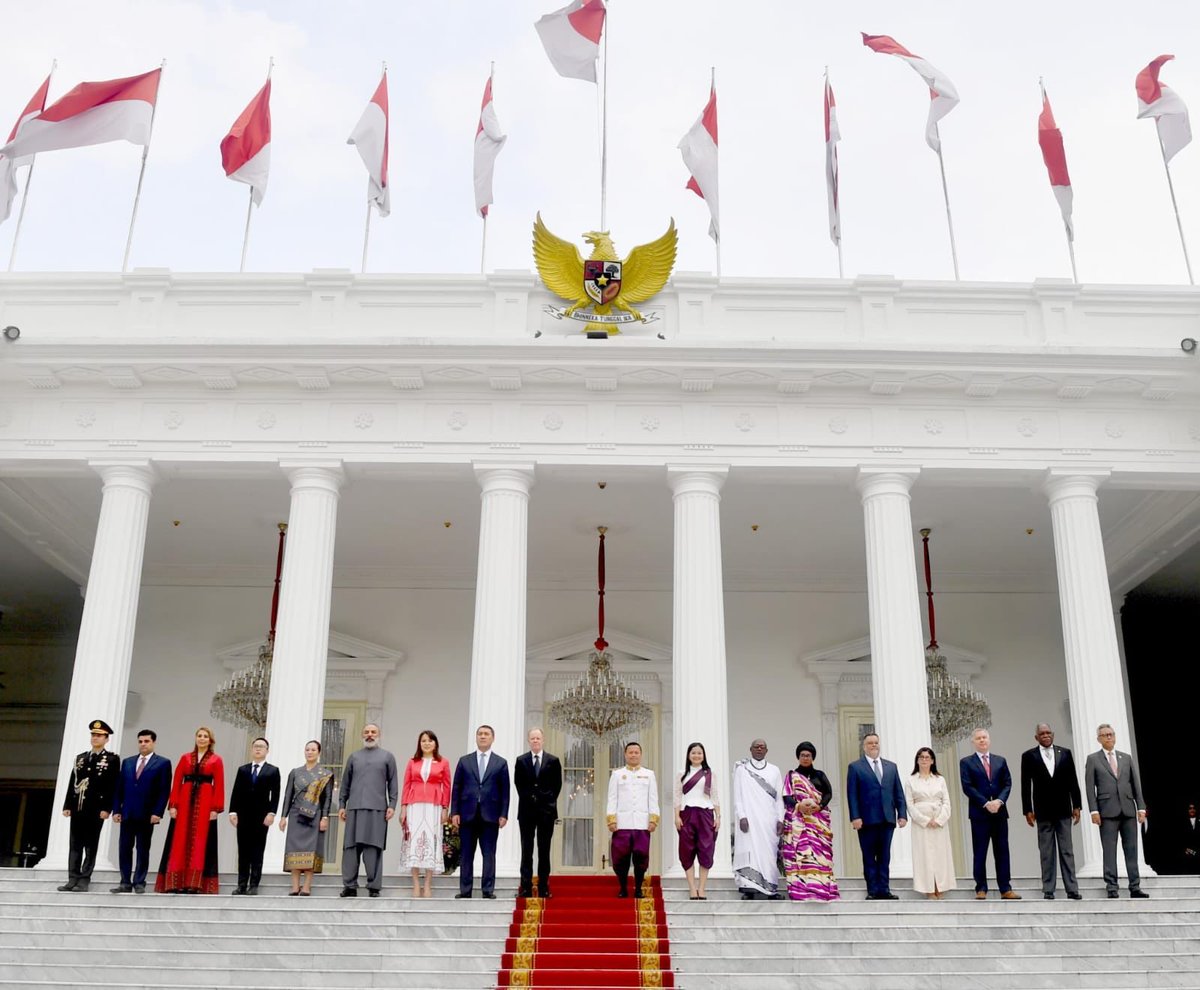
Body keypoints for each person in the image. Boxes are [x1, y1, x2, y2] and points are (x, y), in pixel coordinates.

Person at [155, 726, 225, 894]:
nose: (202, 738)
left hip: (205, 803)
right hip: (185, 802)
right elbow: (177, 780)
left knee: (200, 840)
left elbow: (220, 785)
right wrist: (173, 805)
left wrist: (215, 808)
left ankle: (194, 883)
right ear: (195, 738)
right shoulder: (185, 758)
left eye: (205, 736)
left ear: (210, 740)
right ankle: (175, 883)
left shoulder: (216, 760)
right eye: (199, 736)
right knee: (180, 838)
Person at [1084, 723, 1149, 899]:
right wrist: (1093, 811)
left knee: (1131, 849)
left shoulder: (1126, 758)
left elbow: (1135, 784)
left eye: (1111, 734)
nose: (1109, 737)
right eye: (1104, 735)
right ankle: (1112, 887)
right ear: (1099, 739)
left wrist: (1141, 807)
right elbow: (1090, 788)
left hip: (1128, 810)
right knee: (1109, 850)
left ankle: (1135, 886)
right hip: (1106, 811)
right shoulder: (1093, 759)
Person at [1019, 723, 1082, 900]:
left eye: (1048, 733)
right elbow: (1025, 784)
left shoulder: (1065, 753)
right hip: (1043, 811)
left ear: (1053, 735)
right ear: (1036, 737)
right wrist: (1027, 810)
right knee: (1046, 852)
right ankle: (1048, 889)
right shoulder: (1029, 756)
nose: (1046, 735)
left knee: (1067, 850)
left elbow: (1073, 781)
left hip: (1063, 809)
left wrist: (1077, 805)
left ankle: (1072, 888)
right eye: (1042, 733)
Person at [58, 718, 120, 892]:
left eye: (99, 735)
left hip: (96, 809)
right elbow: (73, 782)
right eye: (93, 734)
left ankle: (84, 878)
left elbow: (112, 786)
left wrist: (107, 808)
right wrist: (67, 805)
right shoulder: (81, 758)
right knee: (75, 844)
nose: (95, 738)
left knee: (91, 845)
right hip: (78, 807)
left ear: (106, 738)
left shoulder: (111, 759)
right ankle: (72, 878)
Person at [338, 722, 399, 898]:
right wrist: (342, 805)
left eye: (373, 732)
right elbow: (345, 785)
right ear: (362, 735)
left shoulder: (387, 757)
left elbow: (393, 783)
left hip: (377, 809)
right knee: (350, 848)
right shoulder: (354, 757)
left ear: (379, 734)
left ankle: (373, 886)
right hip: (354, 808)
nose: (370, 735)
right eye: (366, 732)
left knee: (373, 848)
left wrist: (392, 805)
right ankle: (349, 886)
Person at [960, 727, 1020, 900]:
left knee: (1002, 850)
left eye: (984, 737)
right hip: (979, 814)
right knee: (980, 851)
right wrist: (986, 803)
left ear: (989, 739)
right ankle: (981, 888)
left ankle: (1005, 888)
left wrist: (999, 801)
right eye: (978, 738)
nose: (982, 740)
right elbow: (967, 786)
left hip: (1000, 813)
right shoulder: (966, 762)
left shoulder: (1000, 761)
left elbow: (1007, 783)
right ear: (973, 741)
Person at [451, 724, 510, 899]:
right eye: (480, 734)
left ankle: (488, 890)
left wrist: (504, 814)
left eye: (486, 734)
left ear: (492, 738)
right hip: (467, 814)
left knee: (489, 854)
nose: (483, 737)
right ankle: (465, 890)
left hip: (490, 815)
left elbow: (505, 792)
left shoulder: (501, 763)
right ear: (476, 737)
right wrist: (455, 812)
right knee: (467, 854)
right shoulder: (464, 761)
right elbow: (456, 787)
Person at [845, 733, 907, 900]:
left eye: (876, 743)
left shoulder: (891, 767)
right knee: (869, 856)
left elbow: (898, 792)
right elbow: (852, 795)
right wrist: (855, 817)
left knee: (885, 856)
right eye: (870, 743)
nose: (873, 745)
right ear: (864, 746)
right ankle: (873, 890)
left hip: (887, 819)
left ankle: (884, 890)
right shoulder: (855, 767)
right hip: (866, 820)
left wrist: (902, 814)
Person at [110, 728, 172, 894]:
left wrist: (158, 812)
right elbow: (119, 788)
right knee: (124, 848)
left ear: (153, 742)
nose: (143, 744)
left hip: (147, 814)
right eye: (140, 741)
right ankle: (125, 881)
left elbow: (164, 790)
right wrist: (116, 809)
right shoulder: (128, 762)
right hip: (127, 812)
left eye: (146, 741)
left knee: (143, 848)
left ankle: (139, 881)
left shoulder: (162, 763)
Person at [780, 741, 838, 902]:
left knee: (819, 856)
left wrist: (818, 807)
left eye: (808, 755)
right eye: (803, 755)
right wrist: (798, 805)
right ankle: (801, 891)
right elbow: (786, 796)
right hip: (799, 822)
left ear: (813, 758)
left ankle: (820, 889)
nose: (805, 758)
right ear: (798, 757)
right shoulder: (791, 775)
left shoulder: (820, 775)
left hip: (818, 823)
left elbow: (828, 793)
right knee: (801, 855)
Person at [400, 729, 452, 898]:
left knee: (431, 841)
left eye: (430, 740)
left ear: (435, 743)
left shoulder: (443, 762)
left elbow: (447, 786)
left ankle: (428, 884)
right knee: (414, 842)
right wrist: (403, 808)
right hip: (414, 805)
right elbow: (406, 784)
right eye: (423, 740)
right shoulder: (412, 762)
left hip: (434, 806)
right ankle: (416, 884)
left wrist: (445, 808)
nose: (427, 743)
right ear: (419, 743)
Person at [279, 739, 334, 896]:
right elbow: (288, 795)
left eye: (313, 750)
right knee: (294, 849)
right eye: (307, 749)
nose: (310, 752)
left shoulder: (325, 774)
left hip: (314, 814)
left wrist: (325, 817)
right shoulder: (295, 772)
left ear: (319, 753)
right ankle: (295, 886)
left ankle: (307, 886)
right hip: (296, 814)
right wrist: (283, 816)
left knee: (311, 850)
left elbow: (327, 799)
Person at [731, 739, 785, 900]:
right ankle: (749, 888)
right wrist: (742, 816)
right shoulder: (742, 769)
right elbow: (738, 795)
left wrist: (780, 819)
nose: (759, 749)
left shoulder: (774, 770)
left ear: (767, 750)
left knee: (769, 854)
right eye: (756, 747)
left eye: (762, 747)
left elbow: (779, 798)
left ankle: (770, 889)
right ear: (750, 749)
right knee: (749, 851)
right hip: (749, 819)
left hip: (769, 819)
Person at [606, 741, 659, 898]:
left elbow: (653, 798)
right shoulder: (617, 774)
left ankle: (638, 888)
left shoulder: (649, 775)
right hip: (622, 824)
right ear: (625, 754)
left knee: (641, 858)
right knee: (620, 858)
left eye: (636, 752)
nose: (633, 755)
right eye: (631, 752)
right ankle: (623, 887)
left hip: (642, 824)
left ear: (641, 755)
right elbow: (612, 798)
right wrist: (611, 819)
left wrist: (653, 818)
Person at [514, 727, 563, 899]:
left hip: (546, 812)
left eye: (538, 738)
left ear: (543, 740)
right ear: (529, 740)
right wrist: (531, 798)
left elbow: (557, 786)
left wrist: (543, 800)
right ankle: (526, 886)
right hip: (527, 811)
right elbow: (519, 785)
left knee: (544, 850)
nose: (535, 741)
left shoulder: (553, 761)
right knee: (526, 850)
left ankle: (543, 887)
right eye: (532, 738)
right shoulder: (521, 761)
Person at [228, 736, 280, 895]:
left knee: (257, 851)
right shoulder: (243, 769)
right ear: (252, 749)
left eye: (261, 747)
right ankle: (241, 884)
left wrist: (271, 813)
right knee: (243, 851)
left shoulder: (272, 770)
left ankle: (254, 884)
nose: (258, 749)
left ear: (267, 750)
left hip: (261, 816)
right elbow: (236, 792)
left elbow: (275, 794)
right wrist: (233, 811)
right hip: (243, 815)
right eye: (256, 746)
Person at [904, 747, 956, 899]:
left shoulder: (940, 779)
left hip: (939, 821)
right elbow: (910, 804)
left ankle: (940, 886)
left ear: (932, 760)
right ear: (917, 761)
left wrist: (939, 820)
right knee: (924, 855)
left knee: (941, 854)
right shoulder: (911, 780)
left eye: (927, 757)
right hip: (922, 823)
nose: (924, 760)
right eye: (921, 757)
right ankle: (928, 889)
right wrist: (925, 820)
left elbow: (946, 802)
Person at [673, 742, 720, 900]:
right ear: (688, 755)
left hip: (706, 814)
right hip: (687, 813)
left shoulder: (710, 773)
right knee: (687, 851)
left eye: (699, 753)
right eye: (693, 753)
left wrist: (718, 816)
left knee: (706, 850)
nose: (696, 756)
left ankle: (702, 888)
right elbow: (677, 796)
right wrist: (676, 816)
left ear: (704, 755)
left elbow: (714, 795)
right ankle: (692, 888)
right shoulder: (682, 774)